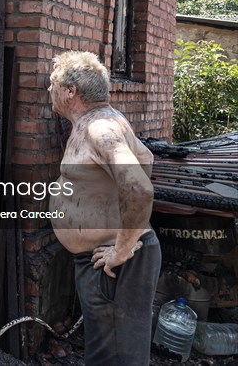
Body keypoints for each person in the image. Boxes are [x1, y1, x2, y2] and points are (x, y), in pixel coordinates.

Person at [47, 51, 160, 366]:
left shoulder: (100, 129)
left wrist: (120, 250)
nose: (49, 90)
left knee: (115, 358)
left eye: (53, 83)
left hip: (114, 264)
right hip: (105, 261)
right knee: (107, 352)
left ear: (71, 91)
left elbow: (138, 187)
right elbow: (146, 157)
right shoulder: (104, 120)